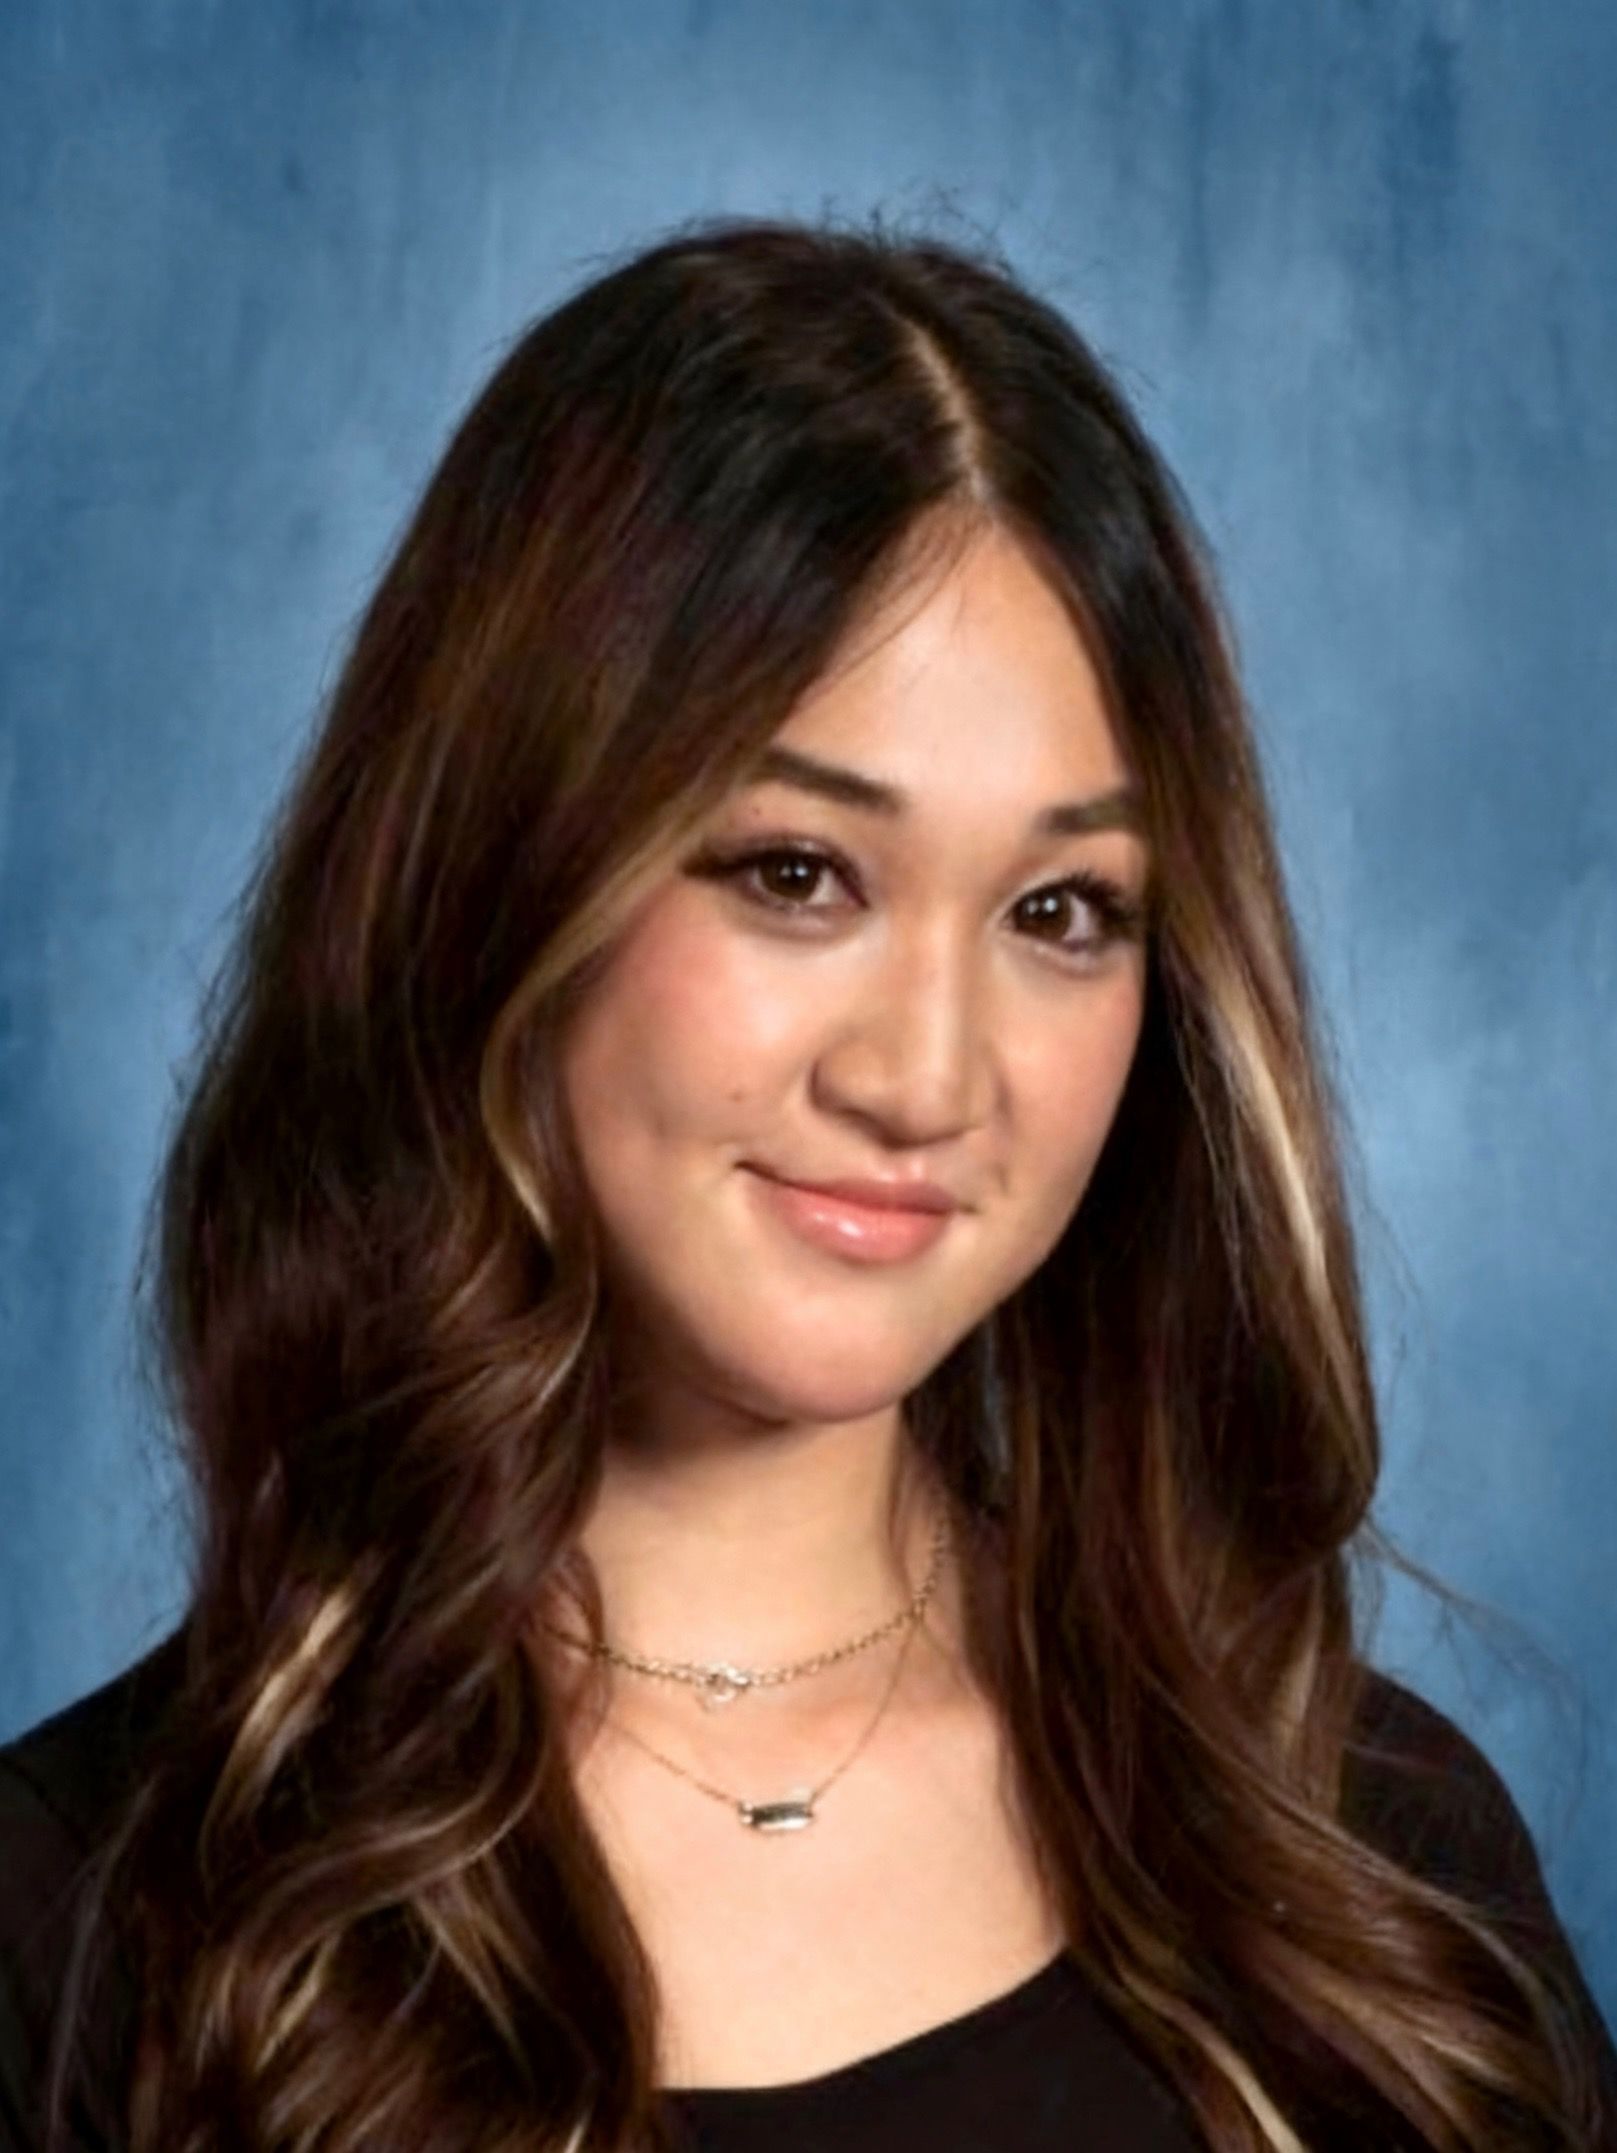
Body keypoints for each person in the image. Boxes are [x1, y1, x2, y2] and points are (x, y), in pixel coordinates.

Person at [0, 215, 1611, 2153]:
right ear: (502, 876)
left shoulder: (1359, 1862)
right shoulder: (87, 1928)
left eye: (1057, 910)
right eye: (794, 873)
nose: (924, 1076)